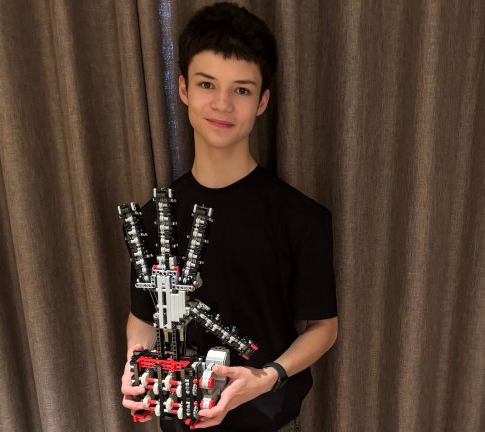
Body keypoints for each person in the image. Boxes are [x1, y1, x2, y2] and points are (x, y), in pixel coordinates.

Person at [120, 3, 338, 431]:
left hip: (267, 418)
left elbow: (323, 327)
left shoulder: (301, 217)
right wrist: (136, 364)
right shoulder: (153, 218)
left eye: (241, 89)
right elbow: (143, 316)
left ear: (262, 102)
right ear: (182, 88)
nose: (221, 104)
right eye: (206, 84)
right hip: (177, 418)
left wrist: (265, 378)